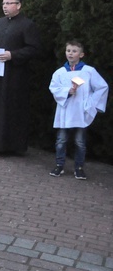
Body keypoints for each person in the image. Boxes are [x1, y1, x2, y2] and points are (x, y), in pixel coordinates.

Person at [0, 0, 41, 154]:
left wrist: (12, 55)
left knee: (10, 108)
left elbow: (33, 49)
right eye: (3, 4)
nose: (5, 6)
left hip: (15, 76)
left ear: (18, 5)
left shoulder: (28, 25)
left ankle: (10, 146)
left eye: (9, 3)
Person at [48, 40, 108, 180]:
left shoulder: (89, 71)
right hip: (65, 109)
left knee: (80, 142)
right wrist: (67, 91)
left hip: (81, 111)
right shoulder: (60, 72)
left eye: (74, 51)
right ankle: (59, 165)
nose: (71, 53)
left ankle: (79, 168)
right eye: (68, 50)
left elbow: (102, 87)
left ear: (81, 54)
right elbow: (54, 88)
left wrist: (90, 103)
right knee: (61, 140)